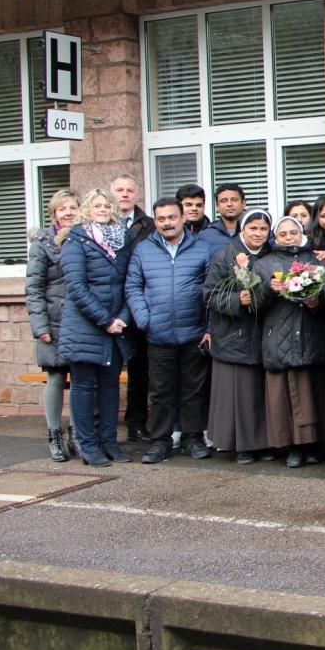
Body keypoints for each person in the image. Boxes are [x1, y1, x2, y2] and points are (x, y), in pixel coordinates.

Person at [126, 198, 212, 465]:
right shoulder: (144, 249)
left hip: (193, 332)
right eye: (161, 219)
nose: (167, 223)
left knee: (193, 390)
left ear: (183, 217)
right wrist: (145, 319)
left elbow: (212, 290)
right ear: (155, 221)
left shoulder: (201, 247)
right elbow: (133, 286)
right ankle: (160, 441)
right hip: (158, 333)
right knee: (161, 392)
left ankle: (192, 439)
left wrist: (209, 327)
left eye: (171, 217)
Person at [57, 188, 135, 467]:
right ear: (87, 210)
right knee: (83, 387)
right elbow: (77, 288)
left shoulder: (123, 240)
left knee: (110, 387)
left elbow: (129, 283)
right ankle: (88, 446)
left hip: (115, 328)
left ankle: (109, 443)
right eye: (96, 205)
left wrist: (121, 318)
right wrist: (106, 320)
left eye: (106, 205)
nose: (102, 209)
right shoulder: (76, 240)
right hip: (85, 327)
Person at [254, 216, 325, 468]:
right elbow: (253, 305)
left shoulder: (316, 260)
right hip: (278, 336)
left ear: (301, 234)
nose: (289, 238)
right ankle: (292, 448)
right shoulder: (263, 264)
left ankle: (314, 445)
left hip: (310, 335)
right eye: (283, 234)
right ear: (275, 237)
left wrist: (316, 302)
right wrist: (268, 289)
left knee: (312, 393)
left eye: (293, 233)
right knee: (284, 398)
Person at [203, 209, 273, 464]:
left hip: (264, 333)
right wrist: (236, 299)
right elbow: (209, 294)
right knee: (240, 393)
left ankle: (264, 443)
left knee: (261, 394)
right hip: (234, 334)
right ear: (242, 229)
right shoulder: (225, 255)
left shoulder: (271, 255)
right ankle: (241, 444)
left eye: (263, 229)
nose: (258, 233)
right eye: (253, 228)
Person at [25, 188, 80, 462]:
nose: (68, 213)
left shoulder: (86, 237)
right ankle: (55, 435)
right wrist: (41, 326)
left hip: (81, 319)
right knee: (57, 376)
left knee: (82, 378)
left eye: (72, 207)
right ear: (54, 213)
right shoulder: (42, 243)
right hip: (54, 320)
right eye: (62, 208)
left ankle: (77, 434)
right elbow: (34, 289)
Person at [110, 173, 155, 445]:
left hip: (138, 303)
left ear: (137, 194)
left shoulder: (149, 225)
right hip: (110, 305)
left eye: (129, 190)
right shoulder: (101, 222)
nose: (124, 194)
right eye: (119, 190)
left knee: (140, 370)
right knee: (108, 369)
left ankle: (136, 424)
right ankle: (103, 427)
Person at [198, 183, 247, 256]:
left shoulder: (255, 232)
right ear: (217, 206)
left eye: (234, 200)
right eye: (224, 201)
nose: (229, 204)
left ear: (243, 203)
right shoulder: (205, 236)